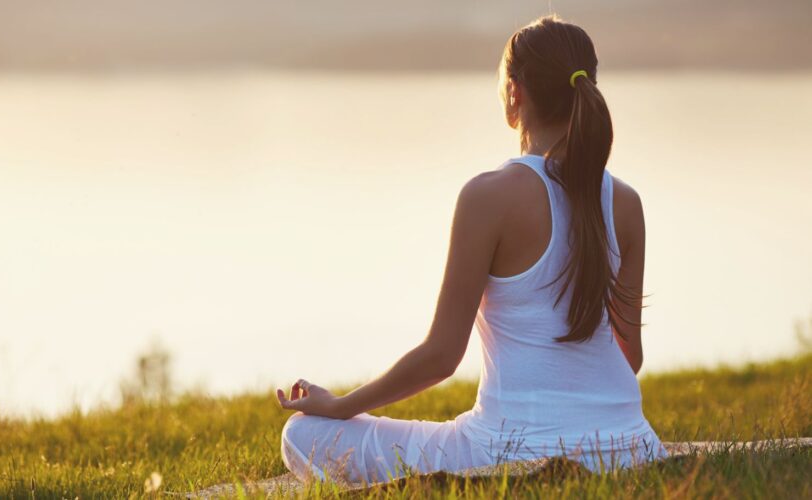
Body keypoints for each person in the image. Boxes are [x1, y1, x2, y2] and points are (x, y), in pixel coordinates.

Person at [276, 14, 668, 485]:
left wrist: (340, 406)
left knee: (302, 434)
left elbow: (442, 356)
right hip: (633, 445)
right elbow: (631, 359)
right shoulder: (624, 202)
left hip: (506, 451)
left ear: (515, 93)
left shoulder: (488, 196)